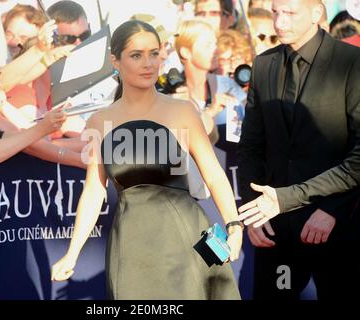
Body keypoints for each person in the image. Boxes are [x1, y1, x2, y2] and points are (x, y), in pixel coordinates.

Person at [51, 19, 242, 300]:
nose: (148, 63)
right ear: (114, 61)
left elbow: (213, 174)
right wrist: (72, 253)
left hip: (187, 236)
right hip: (131, 244)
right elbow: (93, 191)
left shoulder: (182, 111)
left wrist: (233, 225)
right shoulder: (100, 120)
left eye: (154, 54)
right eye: (136, 55)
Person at [237, 0, 360, 300]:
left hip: (338, 226)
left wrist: (333, 210)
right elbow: (251, 147)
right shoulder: (264, 64)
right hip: (276, 230)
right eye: (275, 12)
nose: (279, 22)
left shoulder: (351, 62)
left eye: (290, 13)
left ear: (317, 13)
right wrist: (256, 213)